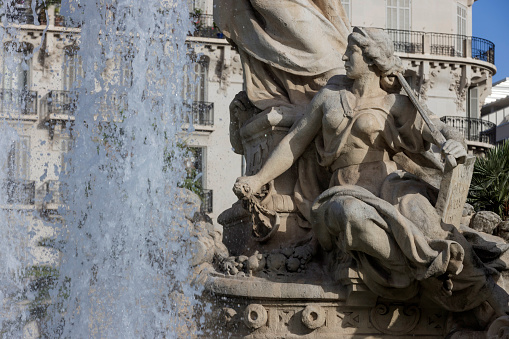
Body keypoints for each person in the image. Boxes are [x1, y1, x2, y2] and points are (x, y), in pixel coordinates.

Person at [233, 27, 509, 315]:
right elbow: (294, 142)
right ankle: (428, 271)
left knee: (427, 222)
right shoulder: (331, 95)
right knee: (350, 214)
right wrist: (258, 179)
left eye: (351, 51)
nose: (344, 56)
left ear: (370, 57)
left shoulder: (394, 102)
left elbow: (438, 127)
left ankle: (491, 295)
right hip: (344, 190)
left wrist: (455, 142)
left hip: (392, 186)